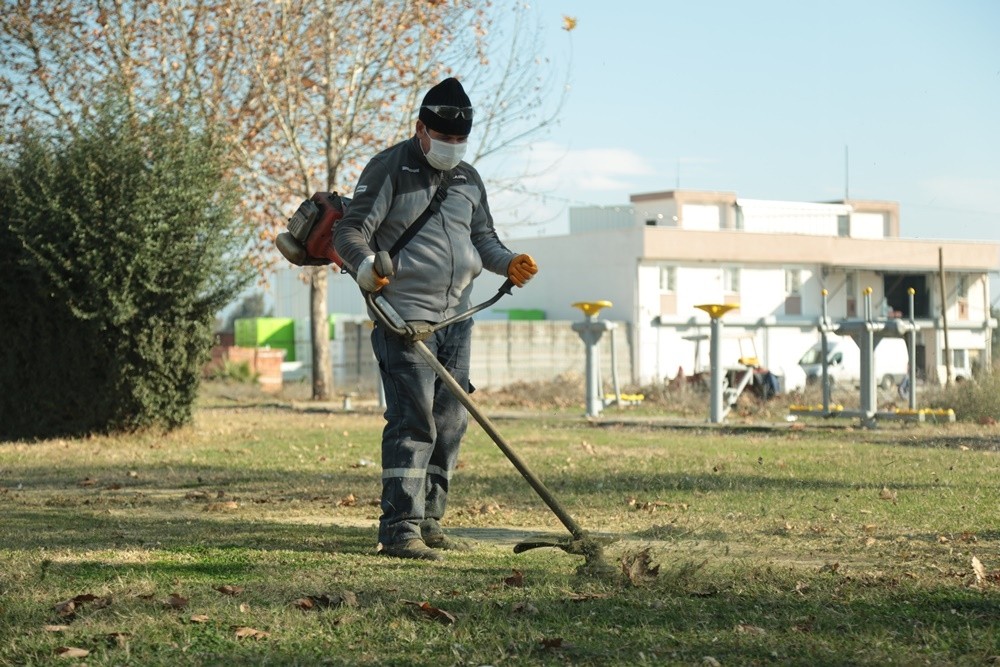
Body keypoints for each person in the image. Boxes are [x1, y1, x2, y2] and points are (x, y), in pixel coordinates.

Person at [334, 77, 538, 560]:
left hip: (456, 319)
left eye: (458, 140)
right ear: (421, 129)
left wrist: (507, 262)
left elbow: (482, 238)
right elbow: (350, 231)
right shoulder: (389, 168)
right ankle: (398, 529)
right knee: (414, 421)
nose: (450, 147)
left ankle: (430, 519)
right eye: (442, 138)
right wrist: (365, 268)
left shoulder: (468, 179)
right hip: (402, 320)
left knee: (449, 423)